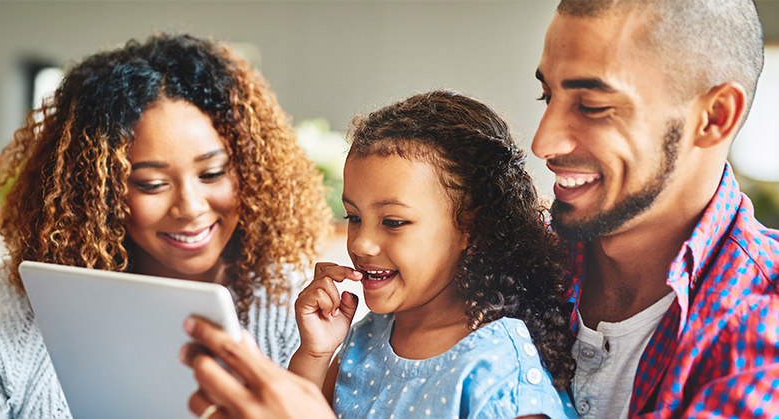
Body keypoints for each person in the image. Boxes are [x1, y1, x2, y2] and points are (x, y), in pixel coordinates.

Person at [180, 0, 778, 418]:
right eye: (548, 95)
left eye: (593, 106)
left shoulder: (760, 331)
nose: (543, 142)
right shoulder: (515, 257)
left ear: (714, 116)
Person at [0, 33, 332, 418]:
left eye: (212, 173)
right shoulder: (13, 304)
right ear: (97, 190)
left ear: (250, 169)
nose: (190, 208)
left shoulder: (299, 312)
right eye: (151, 184)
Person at [287, 90, 577, 418]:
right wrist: (315, 353)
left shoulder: (496, 362)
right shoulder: (367, 339)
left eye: (393, 222)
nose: (361, 244)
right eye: (353, 217)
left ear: (473, 228)